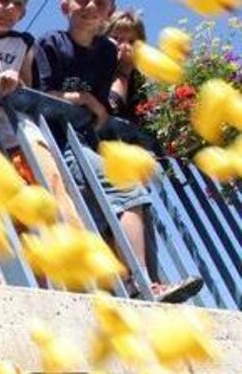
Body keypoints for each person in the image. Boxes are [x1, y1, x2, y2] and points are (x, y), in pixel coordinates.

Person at [35, 0, 203, 302]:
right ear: (64, 7)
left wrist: (97, 99)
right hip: (59, 144)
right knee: (126, 192)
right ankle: (142, 284)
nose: (90, 6)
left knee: (135, 200)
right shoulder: (51, 43)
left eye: (99, 2)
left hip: (85, 144)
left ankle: (143, 283)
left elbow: (105, 106)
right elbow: (42, 94)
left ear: (108, 12)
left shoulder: (105, 53)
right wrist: (84, 98)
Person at [0, 0, 85, 229]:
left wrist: (18, 81)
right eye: (3, 1)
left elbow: (35, 89)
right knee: (10, 215)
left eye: (17, 4)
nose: (9, 8)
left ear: (23, 13)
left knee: (53, 194)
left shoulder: (23, 42)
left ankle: (80, 254)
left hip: (21, 135)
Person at [99, 9, 162, 155]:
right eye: (117, 38)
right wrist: (122, 75)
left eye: (131, 41)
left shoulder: (140, 81)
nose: (125, 46)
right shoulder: (96, 69)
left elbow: (146, 123)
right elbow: (109, 109)